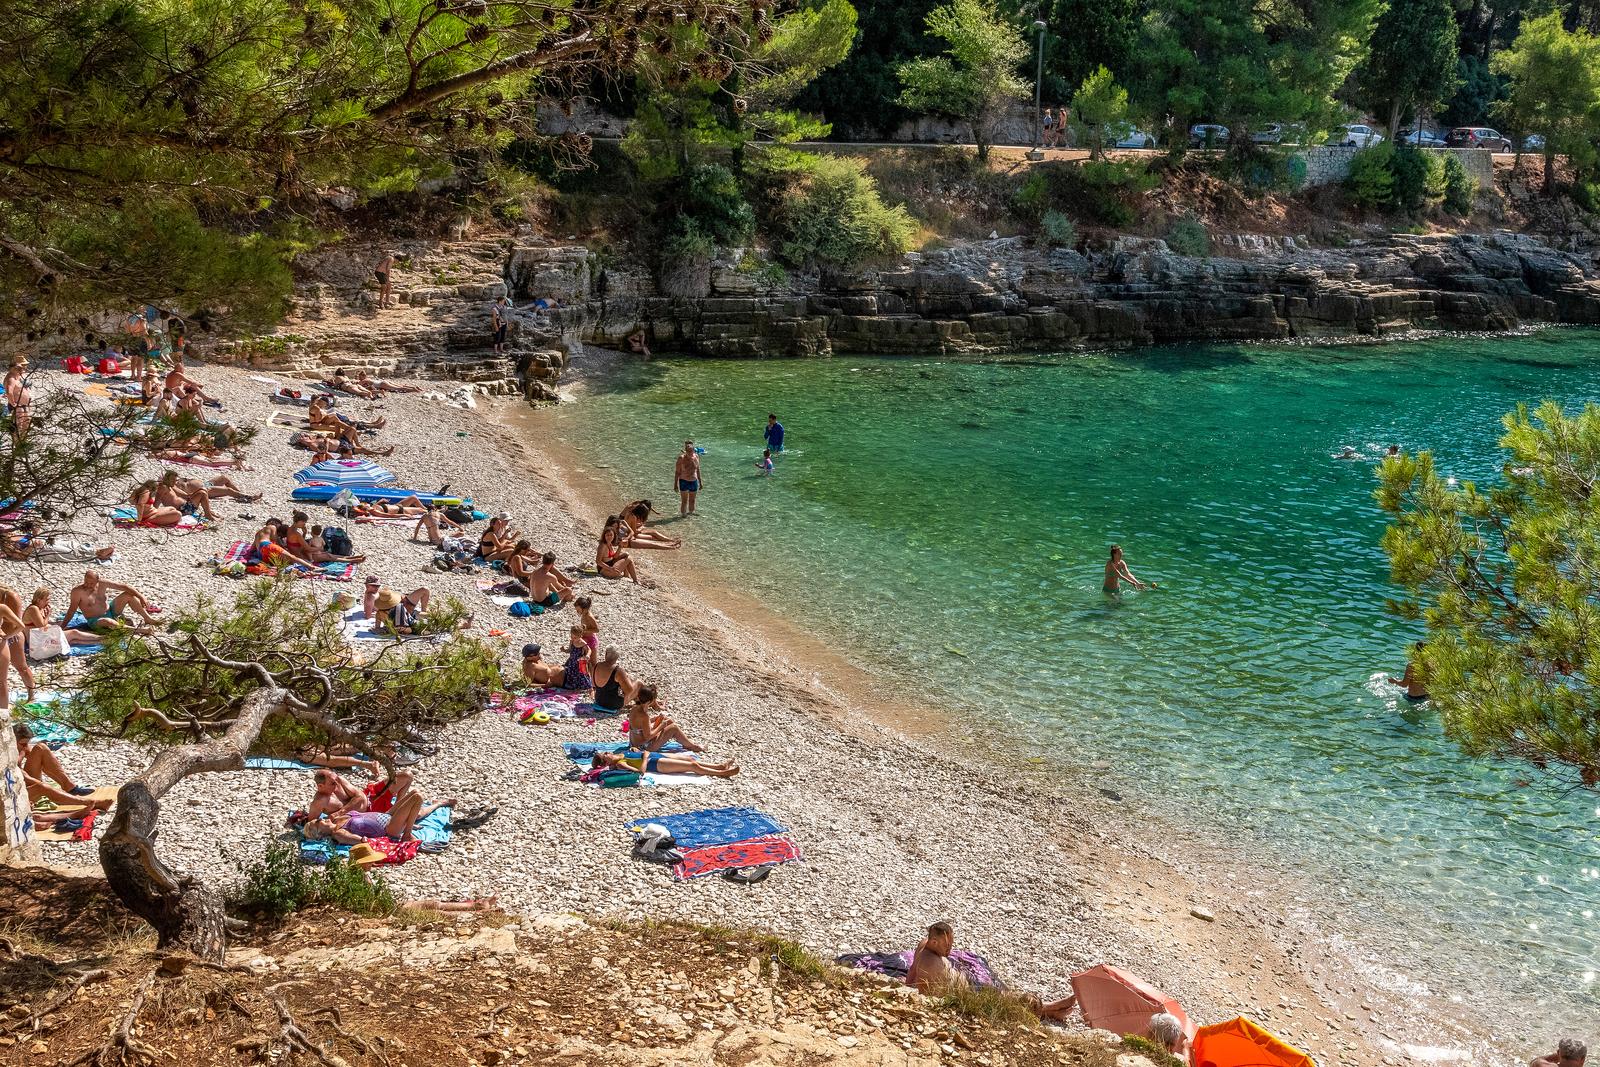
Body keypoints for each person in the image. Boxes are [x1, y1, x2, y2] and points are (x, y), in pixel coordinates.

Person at [907, 922, 1077, 1022]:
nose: (950, 950)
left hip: (968, 984)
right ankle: (1050, 1009)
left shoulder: (925, 944)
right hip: (968, 995)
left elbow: (911, 973)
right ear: (935, 942)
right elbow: (927, 998)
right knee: (1015, 1002)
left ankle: (1051, 1011)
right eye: (947, 945)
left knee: (1009, 995)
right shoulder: (930, 966)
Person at [12, 723, 106, 808]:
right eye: (23, 744)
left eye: (27, 743)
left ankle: (69, 786)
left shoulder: (22, 747)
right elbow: (23, 776)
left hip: (24, 782)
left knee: (41, 747)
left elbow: (35, 757)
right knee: (43, 788)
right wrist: (45, 787)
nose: (25, 746)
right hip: (17, 789)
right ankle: (88, 803)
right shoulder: (5, 754)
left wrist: (23, 751)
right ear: (12, 740)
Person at [65, 570, 158, 632]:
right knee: (107, 621)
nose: (88, 585)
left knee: (128, 595)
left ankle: (148, 618)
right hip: (96, 620)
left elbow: (124, 587)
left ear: (97, 581)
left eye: (91, 583)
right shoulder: (77, 591)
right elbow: (71, 610)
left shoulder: (103, 584)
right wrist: (63, 626)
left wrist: (141, 597)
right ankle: (139, 630)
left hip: (111, 611)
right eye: (86, 582)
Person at [624, 684, 703, 752]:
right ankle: (692, 746)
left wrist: (654, 719)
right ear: (649, 702)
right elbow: (648, 736)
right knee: (674, 728)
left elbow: (639, 724)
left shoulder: (635, 708)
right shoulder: (644, 715)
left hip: (634, 743)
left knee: (669, 721)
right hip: (643, 747)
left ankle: (687, 744)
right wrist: (661, 726)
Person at [23, 588, 100, 655]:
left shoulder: (39, 608)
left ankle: (100, 641)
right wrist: (47, 615)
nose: (48, 602)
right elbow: (41, 626)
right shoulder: (33, 609)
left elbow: (41, 624)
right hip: (37, 641)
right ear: (39, 600)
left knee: (73, 640)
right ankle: (102, 638)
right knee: (74, 632)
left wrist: (54, 624)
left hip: (40, 639)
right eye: (46, 600)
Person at [593, 750, 740, 778]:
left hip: (655, 756)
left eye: (605, 753)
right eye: (605, 757)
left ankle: (718, 766)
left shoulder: (620, 754)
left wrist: (637, 751)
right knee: (692, 767)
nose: (607, 754)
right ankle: (722, 773)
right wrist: (644, 757)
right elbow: (640, 772)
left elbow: (636, 753)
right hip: (655, 763)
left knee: (690, 760)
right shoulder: (620, 764)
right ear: (605, 763)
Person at [0, 586, 34, 706]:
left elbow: (17, 622)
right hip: (4, 637)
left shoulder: (10, 596)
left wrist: (6, 635)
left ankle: (31, 695)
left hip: (12, 635)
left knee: (21, 667)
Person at [590, 647, 636, 713]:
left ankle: (649, 702)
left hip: (599, 701)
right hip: (613, 704)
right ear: (617, 657)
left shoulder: (596, 666)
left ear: (605, 654)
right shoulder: (618, 671)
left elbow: (593, 684)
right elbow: (629, 690)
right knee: (638, 683)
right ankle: (649, 703)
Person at [675, 440, 702, 517]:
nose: (690, 453)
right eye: (688, 451)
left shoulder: (696, 456)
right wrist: (675, 485)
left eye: (691, 451)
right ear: (685, 451)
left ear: (694, 450)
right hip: (684, 481)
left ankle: (691, 514)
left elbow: (698, 470)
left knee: (692, 500)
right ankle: (683, 515)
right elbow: (677, 472)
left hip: (694, 481)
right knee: (684, 500)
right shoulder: (681, 458)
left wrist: (700, 482)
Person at [561, 625, 592, 691]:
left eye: (575, 637)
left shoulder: (583, 643)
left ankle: (585, 687)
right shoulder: (572, 641)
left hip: (580, 662)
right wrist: (564, 650)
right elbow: (569, 650)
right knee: (571, 673)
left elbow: (589, 650)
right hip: (571, 661)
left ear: (580, 636)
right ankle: (573, 686)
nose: (572, 638)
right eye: (571, 636)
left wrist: (587, 655)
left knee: (582, 675)